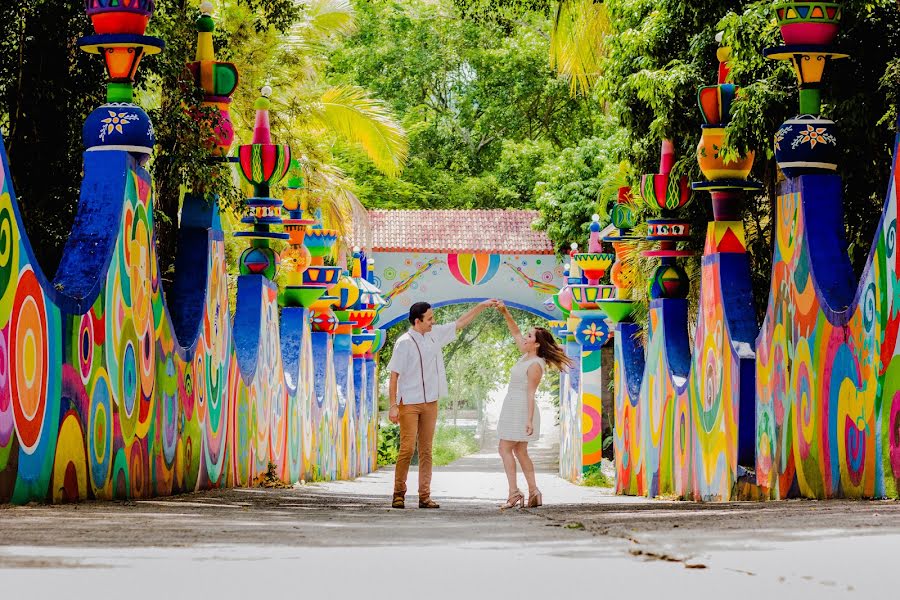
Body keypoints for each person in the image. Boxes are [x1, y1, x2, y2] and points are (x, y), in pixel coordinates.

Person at [387, 300, 497, 509]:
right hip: (409, 403)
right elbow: (394, 376)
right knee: (408, 449)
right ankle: (398, 493)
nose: (432, 322)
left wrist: (481, 305)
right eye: (429, 319)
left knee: (427, 450)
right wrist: (393, 405)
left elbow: (460, 322)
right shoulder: (404, 342)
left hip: (431, 402)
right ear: (418, 321)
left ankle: (424, 496)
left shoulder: (435, 334)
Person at [494, 300, 573, 509]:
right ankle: (534, 491)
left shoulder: (535, 364)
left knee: (504, 448)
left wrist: (529, 420)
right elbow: (515, 331)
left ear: (536, 344)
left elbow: (531, 393)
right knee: (520, 451)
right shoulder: (526, 354)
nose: (525, 338)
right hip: (513, 405)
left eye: (530, 336)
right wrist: (505, 312)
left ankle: (513, 492)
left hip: (521, 408)